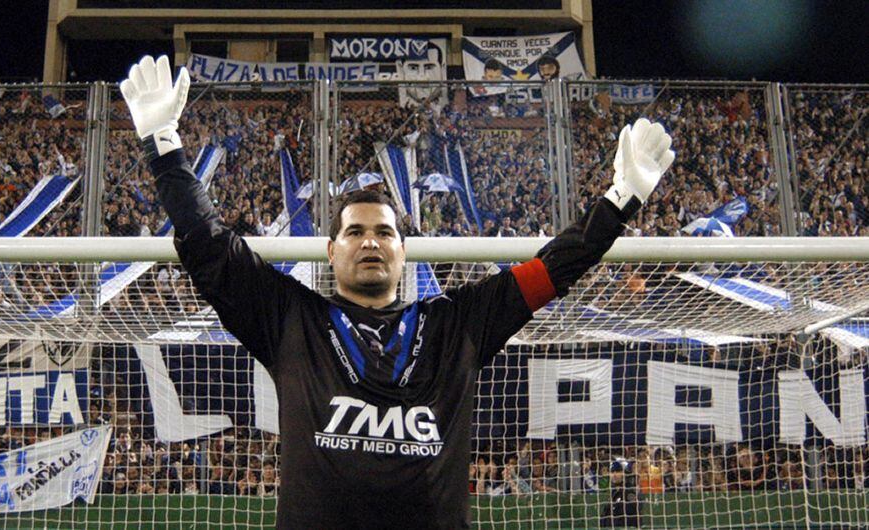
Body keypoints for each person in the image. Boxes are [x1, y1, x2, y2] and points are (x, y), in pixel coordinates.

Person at [121, 55, 674, 529]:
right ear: (330, 251)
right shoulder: (291, 317)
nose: (370, 242)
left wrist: (620, 200)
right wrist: (163, 146)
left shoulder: (458, 322)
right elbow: (209, 246)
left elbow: (554, 270)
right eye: (354, 232)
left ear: (403, 253)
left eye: (385, 231)